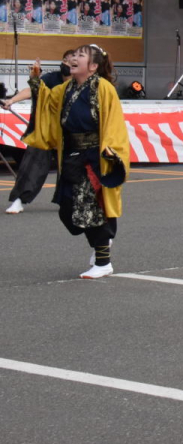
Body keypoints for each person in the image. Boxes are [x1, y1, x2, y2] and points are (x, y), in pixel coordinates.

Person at [24, 44, 130, 278]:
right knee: (68, 209)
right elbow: (47, 103)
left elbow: (114, 122)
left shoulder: (103, 88)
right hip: (71, 155)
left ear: (93, 66)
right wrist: (36, 80)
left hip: (93, 158)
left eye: (80, 56)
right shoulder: (66, 88)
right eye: (73, 55)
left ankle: (103, 262)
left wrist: (111, 151)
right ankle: (102, 243)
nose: (73, 58)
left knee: (90, 209)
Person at [2, 49, 75, 213]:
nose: (67, 64)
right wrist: (12, 100)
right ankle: (18, 200)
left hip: (68, 131)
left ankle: (70, 201)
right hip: (45, 130)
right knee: (32, 163)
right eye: (65, 60)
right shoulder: (51, 78)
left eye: (72, 61)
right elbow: (32, 89)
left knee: (72, 167)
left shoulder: (80, 83)